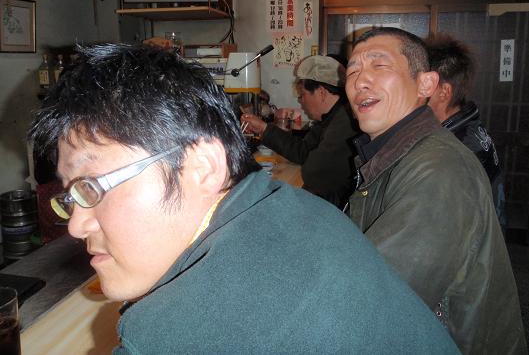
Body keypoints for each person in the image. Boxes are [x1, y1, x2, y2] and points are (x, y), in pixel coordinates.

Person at [28, 43, 460, 354]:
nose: (76, 225)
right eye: (72, 195)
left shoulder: (172, 334)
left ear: (202, 166)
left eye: (93, 185)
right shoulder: (296, 207)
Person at [345, 27, 526, 354]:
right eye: (352, 70)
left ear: (426, 85)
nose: (360, 81)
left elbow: (372, 303)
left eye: (379, 65)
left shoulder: (439, 170)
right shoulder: (393, 153)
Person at [242, 55, 360, 208]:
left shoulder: (345, 122)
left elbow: (313, 172)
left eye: (302, 94)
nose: (300, 101)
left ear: (321, 92)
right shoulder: (330, 117)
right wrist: (264, 128)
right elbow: (303, 151)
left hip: (340, 208)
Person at [427, 34, 507, 230]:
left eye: (424, 84)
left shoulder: (458, 146)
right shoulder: (466, 127)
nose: (416, 91)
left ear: (444, 92)